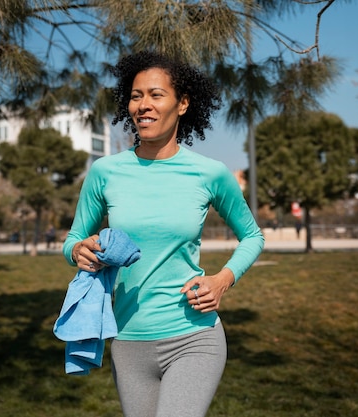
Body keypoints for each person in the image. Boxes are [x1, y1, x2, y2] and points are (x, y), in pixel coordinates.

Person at [62, 50, 264, 417]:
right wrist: (79, 250)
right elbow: (73, 238)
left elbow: (253, 236)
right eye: (136, 96)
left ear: (182, 104)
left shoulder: (210, 173)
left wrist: (222, 280)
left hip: (194, 336)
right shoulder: (105, 172)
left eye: (156, 95)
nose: (143, 105)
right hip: (127, 341)